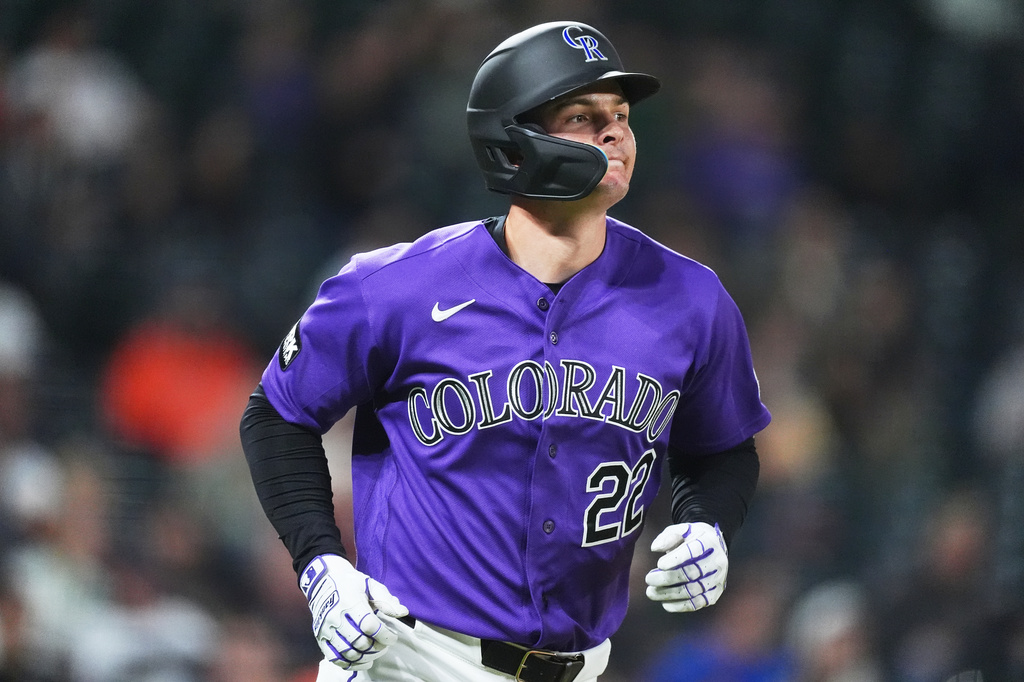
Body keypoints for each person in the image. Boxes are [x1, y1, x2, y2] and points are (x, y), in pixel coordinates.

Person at [240, 20, 770, 682]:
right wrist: (320, 565)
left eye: (621, 116)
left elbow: (723, 448)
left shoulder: (691, 298)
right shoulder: (396, 287)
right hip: (410, 660)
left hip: (581, 667)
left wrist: (708, 525)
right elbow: (276, 414)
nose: (615, 134)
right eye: (583, 117)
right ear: (514, 144)